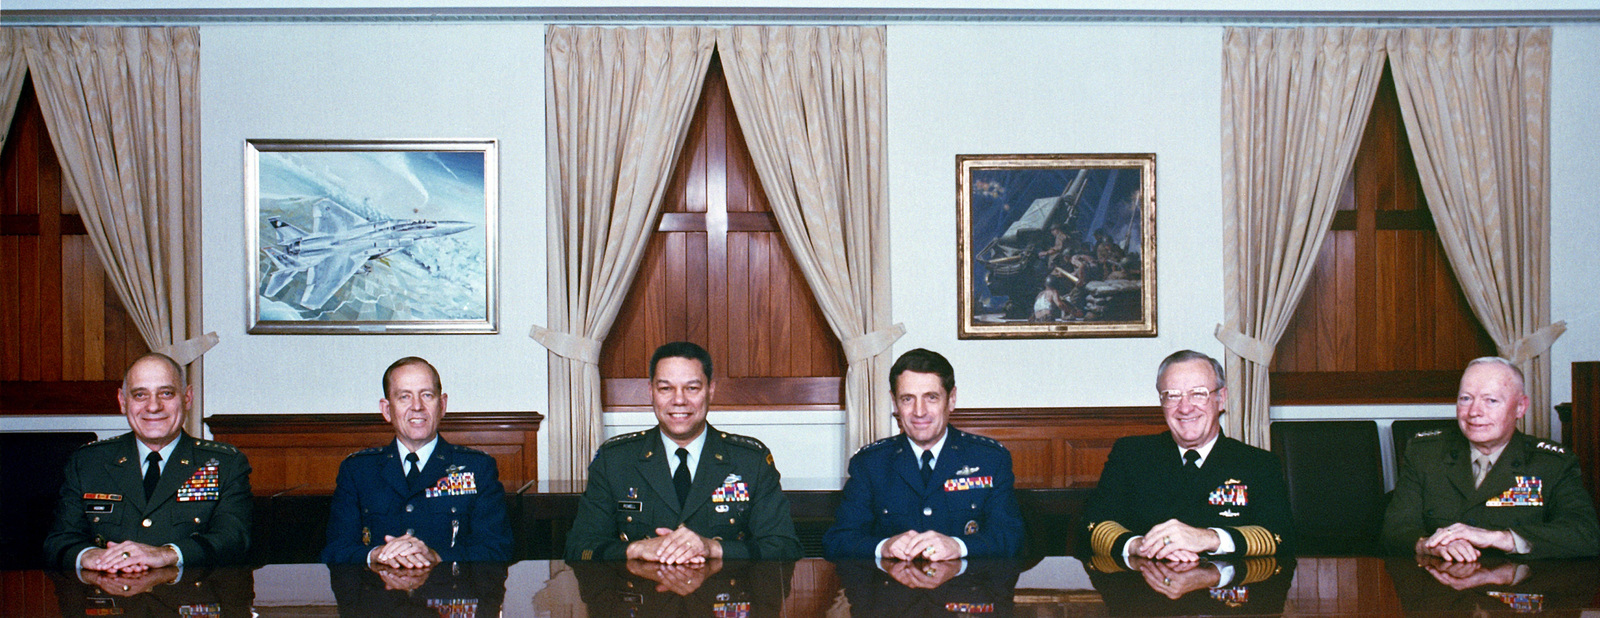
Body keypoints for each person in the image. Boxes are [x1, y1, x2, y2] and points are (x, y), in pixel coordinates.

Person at [564, 341, 802, 563]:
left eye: (692, 388)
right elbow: (579, 548)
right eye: (666, 388)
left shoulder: (750, 461)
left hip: (722, 600)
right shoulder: (615, 459)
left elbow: (785, 547)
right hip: (644, 601)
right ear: (651, 392)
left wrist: (713, 548)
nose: (679, 400)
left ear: (710, 391)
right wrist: (635, 549)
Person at [44, 353, 253, 572]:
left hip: (187, 599)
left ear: (187, 398)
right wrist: (90, 556)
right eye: (140, 395)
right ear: (123, 402)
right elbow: (58, 542)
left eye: (166, 393)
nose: (153, 407)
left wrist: (167, 554)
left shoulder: (225, 464)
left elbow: (235, 541)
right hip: (112, 598)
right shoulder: (88, 462)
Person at [1382, 357, 1600, 560]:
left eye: (1491, 400)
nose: (1475, 411)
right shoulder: (1425, 453)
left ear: (1520, 407)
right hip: (1442, 591)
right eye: (1466, 399)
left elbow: (1585, 534)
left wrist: (1501, 538)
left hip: (1516, 593)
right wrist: (1428, 545)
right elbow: (1394, 531)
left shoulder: (1551, 463)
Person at [1084, 350, 1293, 561]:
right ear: (1162, 402)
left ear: (1221, 399)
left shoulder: (1258, 464)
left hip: (1225, 588)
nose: (1185, 408)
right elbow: (1094, 525)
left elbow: (1279, 535)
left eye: (1199, 393)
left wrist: (1210, 539)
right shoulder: (1131, 455)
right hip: (1147, 585)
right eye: (1173, 395)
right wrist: (1139, 545)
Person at [823, 348, 1024, 560]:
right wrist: (883, 547)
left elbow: (1012, 537)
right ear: (895, 402)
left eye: (931, 397)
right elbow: (837, 541)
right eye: (908, 399)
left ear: (952, 399)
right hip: (892, 590)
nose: (919, 411)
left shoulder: (989, 459)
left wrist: (959, 546)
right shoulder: (870, 464)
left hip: (964, 590)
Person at [321, 357, 512, 565]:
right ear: (386, 409)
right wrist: (376, 555)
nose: (417, 407)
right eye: (404, 397)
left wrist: (436, 557)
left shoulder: (478, 468)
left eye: (427, 395)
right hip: (380, 594)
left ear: (442, 405)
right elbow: (335, 551)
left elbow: (497, 550)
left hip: (448, 593)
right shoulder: (357, 471)